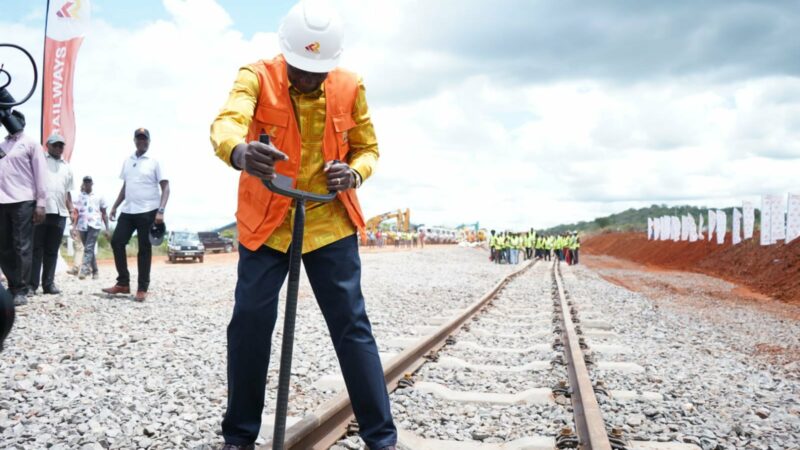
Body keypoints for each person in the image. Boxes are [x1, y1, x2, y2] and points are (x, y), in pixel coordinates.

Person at [209, 3, 397, 449]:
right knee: (250, 322)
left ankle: (381, 438)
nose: (308, 79)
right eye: (301, 69)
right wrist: (239, 152)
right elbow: (226, 122)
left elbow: (368, 148)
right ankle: (238, 437)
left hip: (328, 221)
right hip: (268, 221)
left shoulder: (351, 85)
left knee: (351, 325)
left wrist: (354, 173)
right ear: (286, 54)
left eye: (318, 72)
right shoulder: (256, 76)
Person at [102, 128, 170, 302]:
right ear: (134, 140)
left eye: (145, 139)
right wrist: (115, 206)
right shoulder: (128, 161)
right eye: (139, 139)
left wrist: (161, 211)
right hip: (128, 209)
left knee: (144, 249)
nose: (142, 142)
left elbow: (166, 188)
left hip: (149, 211)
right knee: (117, 241)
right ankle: (123, 283)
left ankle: (142, 288)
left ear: (149, 141)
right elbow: (126, 187)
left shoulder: (155, 161)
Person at [0, 111, 45, 305]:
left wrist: (41, 203)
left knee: (22, 246)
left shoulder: (31, 144)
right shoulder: (2, 146)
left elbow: (41, 174)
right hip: (2, 201)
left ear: (22, 123)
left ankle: (22, 289)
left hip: (23, 201)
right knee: (4, 246)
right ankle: (12, 285)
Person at [30, 134, 74, 295]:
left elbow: (67, 192)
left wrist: (71, 210)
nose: (58, 148)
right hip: (42, 211)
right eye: (55, 145)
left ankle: (48, 284)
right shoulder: (40, 161)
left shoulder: (67, 166)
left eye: (61, 145)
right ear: (47, 145)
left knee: (52, 250)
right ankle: (31, 285)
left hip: (60, 213)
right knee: (36, 249)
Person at [73, 176, 109, 279]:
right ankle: (95, 271)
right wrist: (74, 227)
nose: (87, 183)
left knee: (88, 248)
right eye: (85, 182)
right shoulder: (79, 197)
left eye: (89, 182)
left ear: (92, 183)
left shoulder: (99, 196)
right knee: (89, 248)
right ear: (83, 183)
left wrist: (107, 228)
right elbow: (76, 214)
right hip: (82, 226)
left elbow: (104, 213)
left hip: (95, 225)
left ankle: (84, 271)